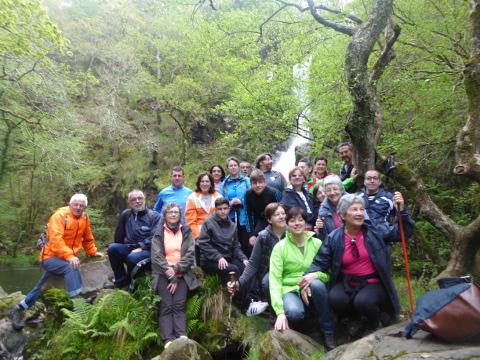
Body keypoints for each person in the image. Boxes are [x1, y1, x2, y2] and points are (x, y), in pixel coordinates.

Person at [302, 193, 414, 337]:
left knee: (364, 302)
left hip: (374, 282)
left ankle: (374, 322)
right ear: (343, 215)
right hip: (348, 282)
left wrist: (402, 212)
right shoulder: (334, 237)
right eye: (354, 209)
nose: (360, 213)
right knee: (335, 298)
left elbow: (404, 233)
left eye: (362, 209)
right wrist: (308, 277)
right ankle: (352, 320)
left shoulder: (375, 231)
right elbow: (320, 262)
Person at [8, 194, 104, 331]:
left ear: (85, 207)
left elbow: (87, 238)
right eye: (76, 204)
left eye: (82, 205)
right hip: (50, 257)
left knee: (41, 286)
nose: (78, 207)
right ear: (70, 204)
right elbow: (55, 240)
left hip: (64, 257)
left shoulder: (84, 218)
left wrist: (92, 252)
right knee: (70, 268)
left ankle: (18, 309)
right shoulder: (59, 216)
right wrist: (70, 257)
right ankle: (78, 304)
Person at [269, 207, 335, 350]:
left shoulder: (317, 243)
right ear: (287, 224)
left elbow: (329, 272)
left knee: (317, 285)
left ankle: (328, 331)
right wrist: (279, 312)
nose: (297, 223)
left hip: (313, 287)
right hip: (290, 289)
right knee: (294, 312)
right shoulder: (280, 248)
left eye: (300, 220)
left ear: (305, 223)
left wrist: (316, 275)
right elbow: (274, 280)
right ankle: (304, 329)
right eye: (292, 220)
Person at [151, 203, 199, 348]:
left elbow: (190, 254)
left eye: (176, 212)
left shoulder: (186, 231)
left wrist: (176, 271)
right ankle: (168, 339)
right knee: (166, 306)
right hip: (162, 273)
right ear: (165, 215)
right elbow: (156, 256)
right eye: (170, 212)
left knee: (179, 305)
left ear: (180, 215)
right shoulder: (159, 232)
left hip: (182, 273)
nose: (173, 215)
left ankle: (182, 335)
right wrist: (170, 273)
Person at [227, 203, 286, 315]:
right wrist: (239, 283)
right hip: (271, 273)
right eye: (277, 214)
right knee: (267, 281)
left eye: (283, 213)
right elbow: (253, 264)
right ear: (269, 220)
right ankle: (276, 313)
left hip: (291, 270)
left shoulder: (291, 232)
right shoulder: (263, 236)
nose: (281, 216)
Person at [106, 190, 161, 289]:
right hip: (131, 247)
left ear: (144, 199)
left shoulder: (154, 216)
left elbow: (156, 237)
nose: (137, 201)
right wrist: (116, 249)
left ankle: (131, 283)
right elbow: (119, 235)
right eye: (133, 199)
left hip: (149, 250)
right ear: (129, 202)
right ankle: (120, 282)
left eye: (140, 198)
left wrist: (142, 247)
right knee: (113, 248)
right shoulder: (126, 215)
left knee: (132, 257)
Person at [198, 197, 249, 282]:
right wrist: (218, 257)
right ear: (215, 210)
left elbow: (236, 246)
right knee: (234, 270)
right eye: (219, 209)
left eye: (225, 208)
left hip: (228, 257)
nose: (223, 211)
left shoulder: (233, 225)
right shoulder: (208, 223)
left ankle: (249, 293)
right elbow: (204, 244)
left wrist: (243, 258)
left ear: (229, 209)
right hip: (210, 260)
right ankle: (237, 293)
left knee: (245, 267)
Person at [218, 157, 252, 256]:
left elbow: (252, 197)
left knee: (246, 242)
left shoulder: (247, 181)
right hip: (230, 217)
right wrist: (229, 203)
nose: (233, 167)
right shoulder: (223, 184)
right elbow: (220, 200)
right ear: (228, 168)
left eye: (235, 165)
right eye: (230, 166)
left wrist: (241, 201)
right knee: (232, 242)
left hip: (245, 217)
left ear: (238, 167)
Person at [245, 169, 281, 247]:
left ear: (264, 182)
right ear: (250, 184)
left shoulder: (273, 192)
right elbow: (247, 215)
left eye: (260, 182)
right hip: (260, 221)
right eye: (254, 183)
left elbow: (282, 210)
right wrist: (251, 234)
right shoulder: (248, 194)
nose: (258, 185)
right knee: (252, 243)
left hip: (275, 221)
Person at [315, 175, 345, 240]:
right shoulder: (323, 210)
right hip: (335, 246)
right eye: (328, 190)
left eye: (335, 189)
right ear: (325, 192)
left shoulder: (353, 202)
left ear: (341, 190)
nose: (332, 193)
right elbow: (323, 238)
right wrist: (320, 229)